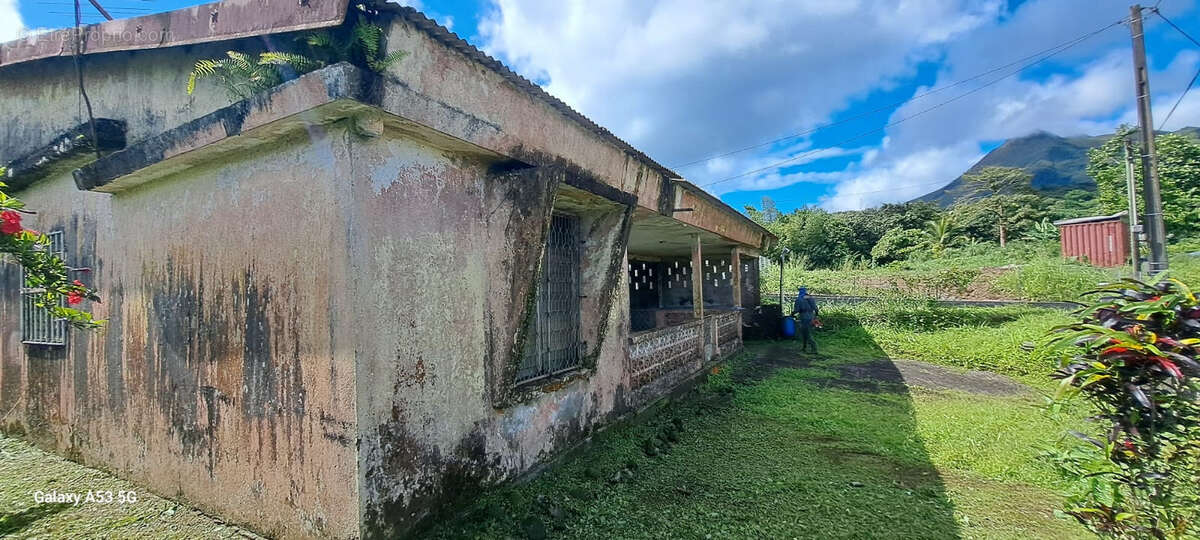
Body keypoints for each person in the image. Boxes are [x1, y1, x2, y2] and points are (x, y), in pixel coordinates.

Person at [791, 286, 819, 354]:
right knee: (805, 332)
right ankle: (804, 347)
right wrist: (816, 316)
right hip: (811, 317)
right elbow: (816, 308)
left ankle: (814, 349)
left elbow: (796, 310)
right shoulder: (810, 298)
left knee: (807, 333)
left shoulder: (799, 299)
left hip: (804, 318)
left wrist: (792, 314)